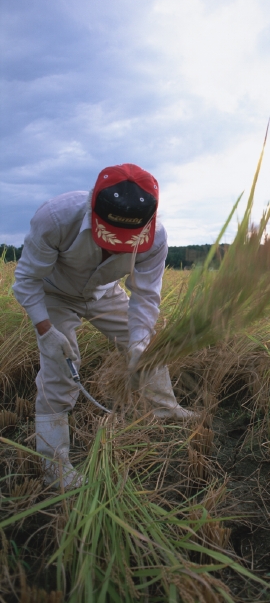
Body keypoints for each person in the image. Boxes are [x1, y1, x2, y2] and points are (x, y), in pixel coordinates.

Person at [13, 163, 194, 489]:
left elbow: (146, 297)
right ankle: (55, 468)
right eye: (109, 236)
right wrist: (46, 330)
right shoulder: (55, 218)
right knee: (60, 369)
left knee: (146, 346)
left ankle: (167, 411)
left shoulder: (156, 239)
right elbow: (26, 280)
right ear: (92, 207)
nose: (114, 248)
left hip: (104, 293)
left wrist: (139, 344)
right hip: (54, 294)